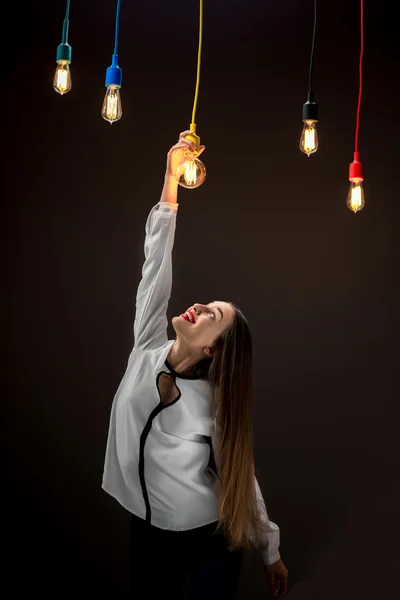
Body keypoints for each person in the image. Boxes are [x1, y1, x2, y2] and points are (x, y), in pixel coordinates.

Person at [102, 131, 289, 599]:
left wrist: (270, 550)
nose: (201, 306)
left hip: (210, 537)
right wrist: (170, 180)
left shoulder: (214, 403)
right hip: (147, 533)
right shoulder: (146, 346)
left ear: (214, 351)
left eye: (213, 315)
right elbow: (155, 264)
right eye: (209, 303)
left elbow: (241, 478)